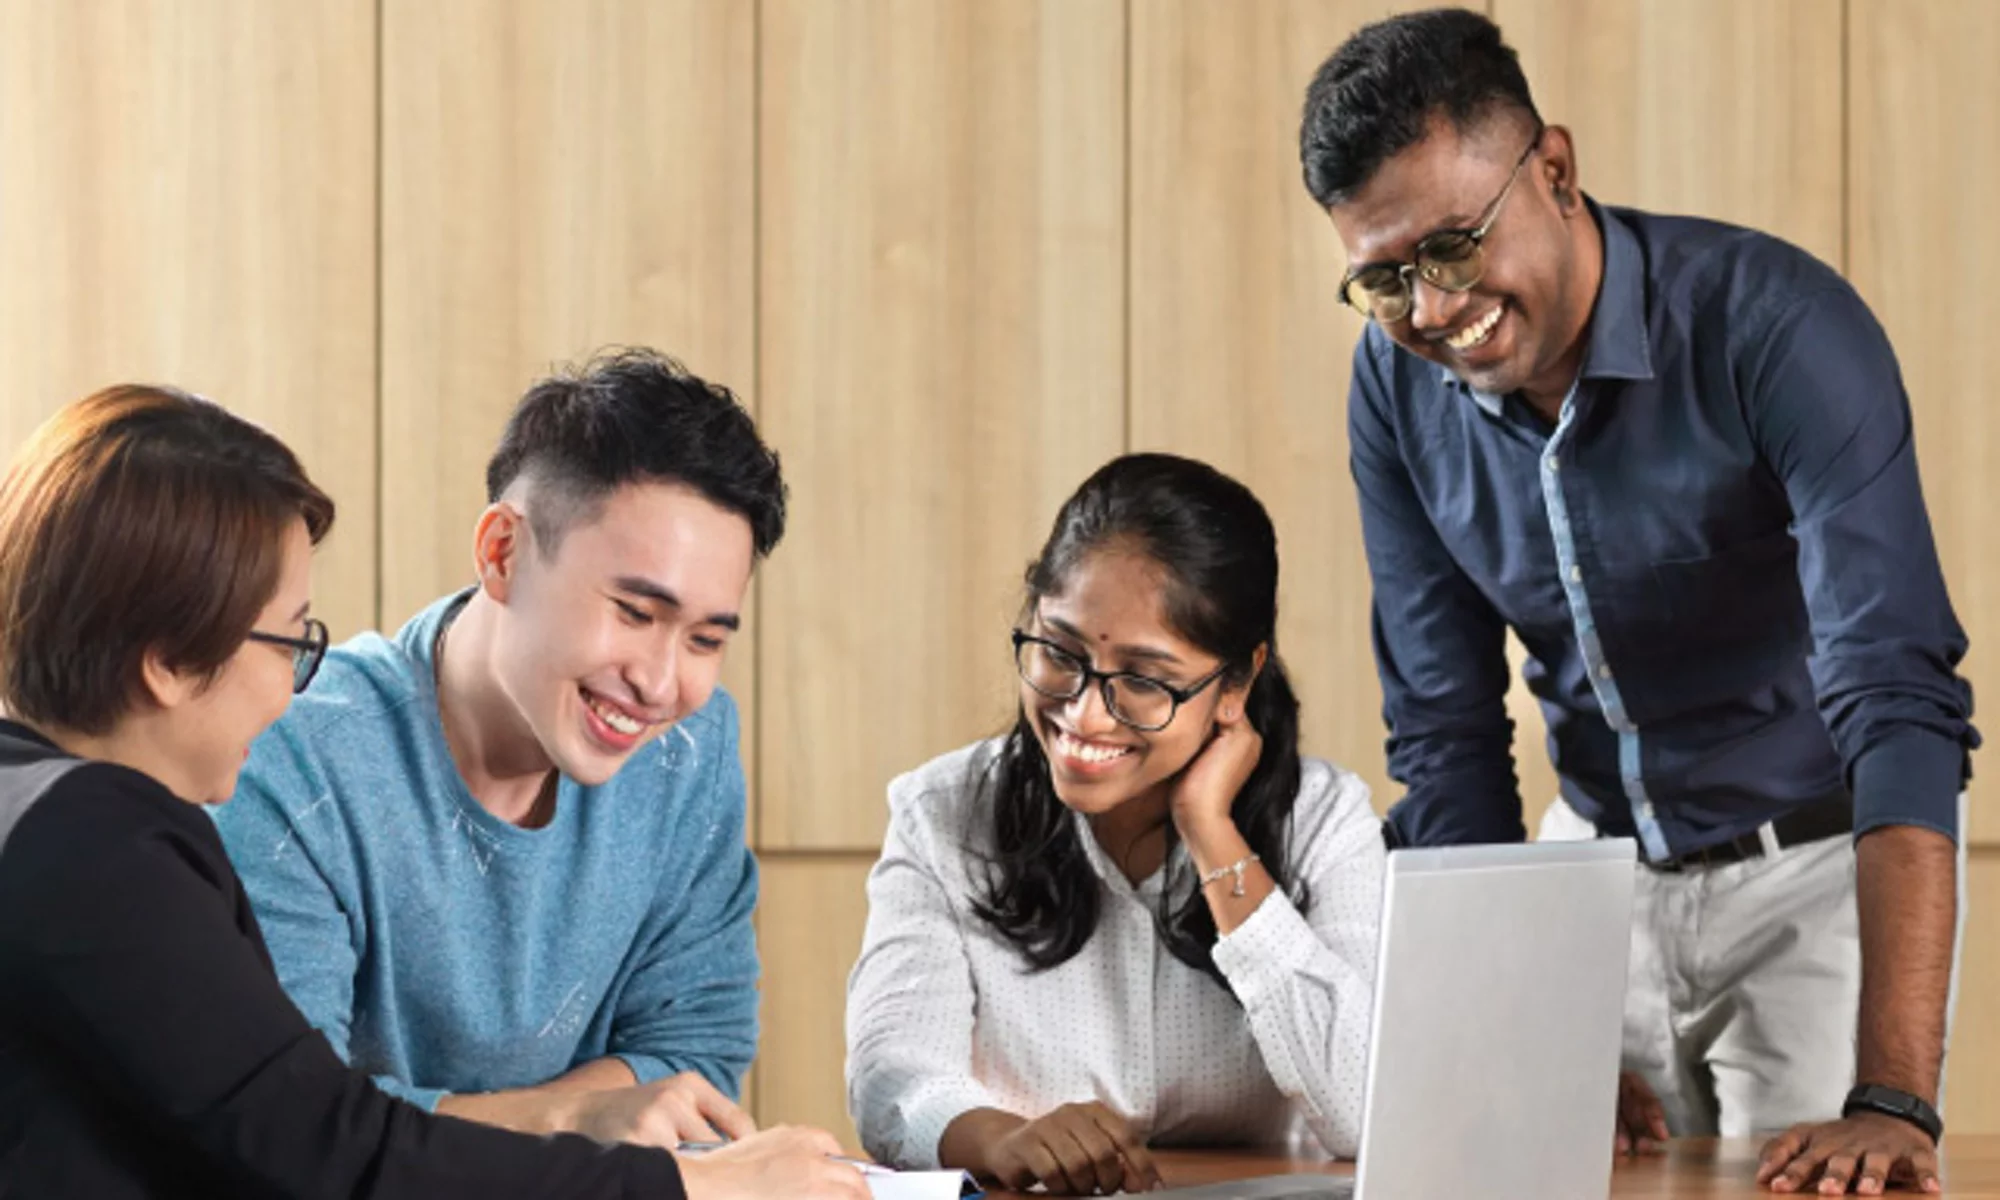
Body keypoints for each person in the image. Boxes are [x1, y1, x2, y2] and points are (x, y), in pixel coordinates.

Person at [1298, 9, 1975, 1195]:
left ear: (1553, 171)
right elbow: (1446, 736)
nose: (1432, 311)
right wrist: (1517, 1021)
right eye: (1385, 279)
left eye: (1451, 248)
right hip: (1587, 875)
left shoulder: (1777, 330)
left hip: (1811, 877)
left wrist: (1890, 1099)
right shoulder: (1394, 391)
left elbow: (1896, 700)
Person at [0, 384, 866, 1199]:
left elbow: (299, 1135)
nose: (661, 682)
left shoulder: (51, 812)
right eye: (293, 643)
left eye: (707, 638)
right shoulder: (102, 839)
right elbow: (315, 1145)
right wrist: (681, 1180)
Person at [214, 350, 778, 1147]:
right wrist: (572, 1120)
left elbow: (698, 1055)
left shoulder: (691, 746)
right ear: (503, 553)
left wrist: (541, 1132)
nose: (660, 684)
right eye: (634, 612)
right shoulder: (292, 754)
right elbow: (294, 1127)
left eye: (706, 639)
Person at [846, 453, 1385, 1197]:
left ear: (1236, 681)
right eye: (1059, 653)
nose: (1084, 714)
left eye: (1143, 679)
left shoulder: (1325, 821)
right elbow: (890, 1080)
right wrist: (1001, 1136)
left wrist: (1212, 834)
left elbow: (1368, 1108)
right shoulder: (942, 811)